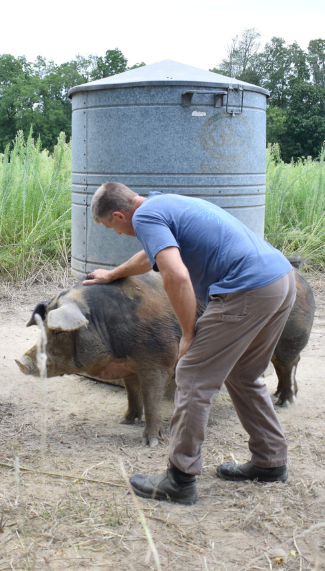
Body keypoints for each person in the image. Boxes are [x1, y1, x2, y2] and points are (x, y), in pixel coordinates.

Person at [83, 182, 295, 506]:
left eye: (110, 226)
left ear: (118, 214)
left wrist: (188, 333)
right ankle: (270, 460)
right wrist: (113, 274)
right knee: (243, 374)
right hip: (279, 279)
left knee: (192, 374)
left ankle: (179, 479)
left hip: (247, 289)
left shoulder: (144, 218)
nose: (115, 233)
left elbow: (176, 276)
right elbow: (151, 256)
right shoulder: (163, 203)